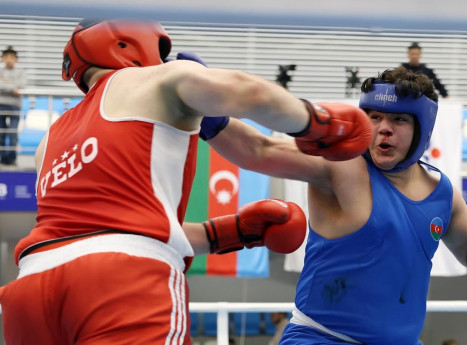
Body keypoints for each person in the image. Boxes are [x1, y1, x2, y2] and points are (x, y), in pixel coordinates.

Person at [0, 19, 372, 345]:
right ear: (131, 41)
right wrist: (316, 121)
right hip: (120, 282)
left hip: (30, 287)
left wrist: (234, 232)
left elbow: (96, 230)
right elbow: (250, 92)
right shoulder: (157, 78)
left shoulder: (50, 138)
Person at [203, 66, 467, 344]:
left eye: (398, 119)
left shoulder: (442, 191)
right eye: (374, 117)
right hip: (322, 340)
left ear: (423, 130)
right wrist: (202, 110)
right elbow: (260, 149)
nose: (383, 127)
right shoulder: (340, 165)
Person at [0, 45, 27, 165]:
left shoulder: (21, 72)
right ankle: (1, 158)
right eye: (6, 57)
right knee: (1, 133)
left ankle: (11, 158)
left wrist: (6, 82)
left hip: (15, 106)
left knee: (12, 132)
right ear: (2, 58)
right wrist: (13, 88)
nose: (9, 59)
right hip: (1, 105)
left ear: (16, 59)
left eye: (11, 57)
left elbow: (22, 85)